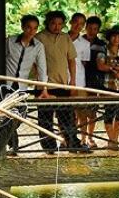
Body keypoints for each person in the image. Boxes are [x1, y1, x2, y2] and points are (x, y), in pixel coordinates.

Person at [35, 10, 89, 153]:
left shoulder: (66, 38)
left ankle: (72, 143)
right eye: (53, 23)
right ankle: (49, 147)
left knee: (67, 117)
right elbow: (34, 62)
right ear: (48, 23)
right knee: (45, 118)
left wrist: (72, 82)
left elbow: (72, 60)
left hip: (62, 84)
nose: (57, 26)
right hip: (44, 85)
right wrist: (40, 83)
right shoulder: (39, 37)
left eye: (60, 24)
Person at [4, 14, 48, 154]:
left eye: (35, 28)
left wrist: (44, 89)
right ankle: (13, 144)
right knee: (5, 115)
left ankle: (11, 140)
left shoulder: (38, 46)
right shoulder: (10, 41)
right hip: (5, 85)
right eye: (28, 27)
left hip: (22, 87)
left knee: (21, 115)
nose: (31, 31)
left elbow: (42, 68)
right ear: (23, 27)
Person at [81, 16, 106, 148]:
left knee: (92, 111)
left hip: (95, 80)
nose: (92, 31)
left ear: (98, 30)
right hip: (80, 79)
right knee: (79, 111)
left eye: (95, 29)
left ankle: (90, 137)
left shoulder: (102, 45)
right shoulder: (78, 41)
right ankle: (82, 138)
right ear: (86, 27)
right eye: (90, 28)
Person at [69, 13, 91, 145]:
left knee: (82, 112)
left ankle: (83, 139)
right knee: (65, 114)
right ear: (71, 22)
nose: (78, 25)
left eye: (82, 24)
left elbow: (84, 63)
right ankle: (66, 140)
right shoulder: (61, 38)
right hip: (62, 81)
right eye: (76, 22)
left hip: (79, 82)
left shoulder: (85, 43)